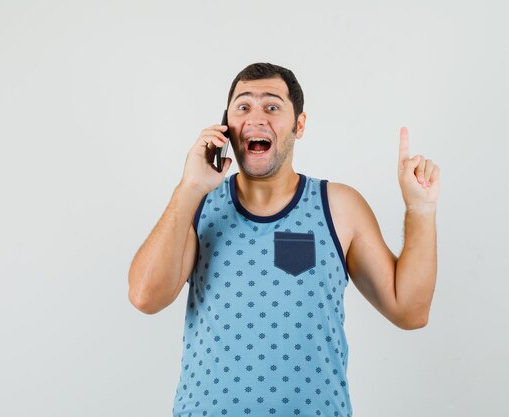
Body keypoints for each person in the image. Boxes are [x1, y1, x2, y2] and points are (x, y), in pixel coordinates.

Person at [128, 62, 440, 417]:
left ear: (299, 125)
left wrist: (420, 210)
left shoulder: (339, 207)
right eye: (243, 107)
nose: (256, 117)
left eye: (272, 106)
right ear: (225, 126)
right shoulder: (196, 206)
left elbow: (410, 311)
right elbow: (144, 297)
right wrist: (189, 187)